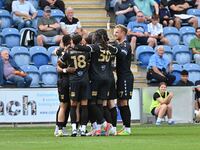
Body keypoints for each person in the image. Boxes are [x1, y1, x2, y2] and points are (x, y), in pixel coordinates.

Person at [58, 34, 90, 137]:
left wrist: (66, 67)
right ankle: (83, 129)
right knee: (84, 105)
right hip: (85, 80)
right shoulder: (87, 52)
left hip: (74, 80)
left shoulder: (68, 52)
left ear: (73, 41)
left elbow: (59, 63)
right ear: (81, 41)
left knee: (73, 105)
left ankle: (74, 129)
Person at [114, 24, 133, 135]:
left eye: (117, 32)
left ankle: (127, 129)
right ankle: (125, 126)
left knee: (124, 102)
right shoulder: (117, 44)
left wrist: (114, 48)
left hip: (126, 77)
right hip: (120, 77)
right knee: (120, 102)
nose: (115, 34)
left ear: (123, 33)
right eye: (114, 32)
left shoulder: (126, 45)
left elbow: (122, 55)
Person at [53, 35, 74, 137]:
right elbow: (57, 67)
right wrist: (65, 70)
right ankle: (59, 127)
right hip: (64, 80)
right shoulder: (64, 52)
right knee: (63, 105)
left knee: (68, 105)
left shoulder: (62, 51)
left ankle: (62, 127)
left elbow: (55, 51)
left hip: (70, 81)